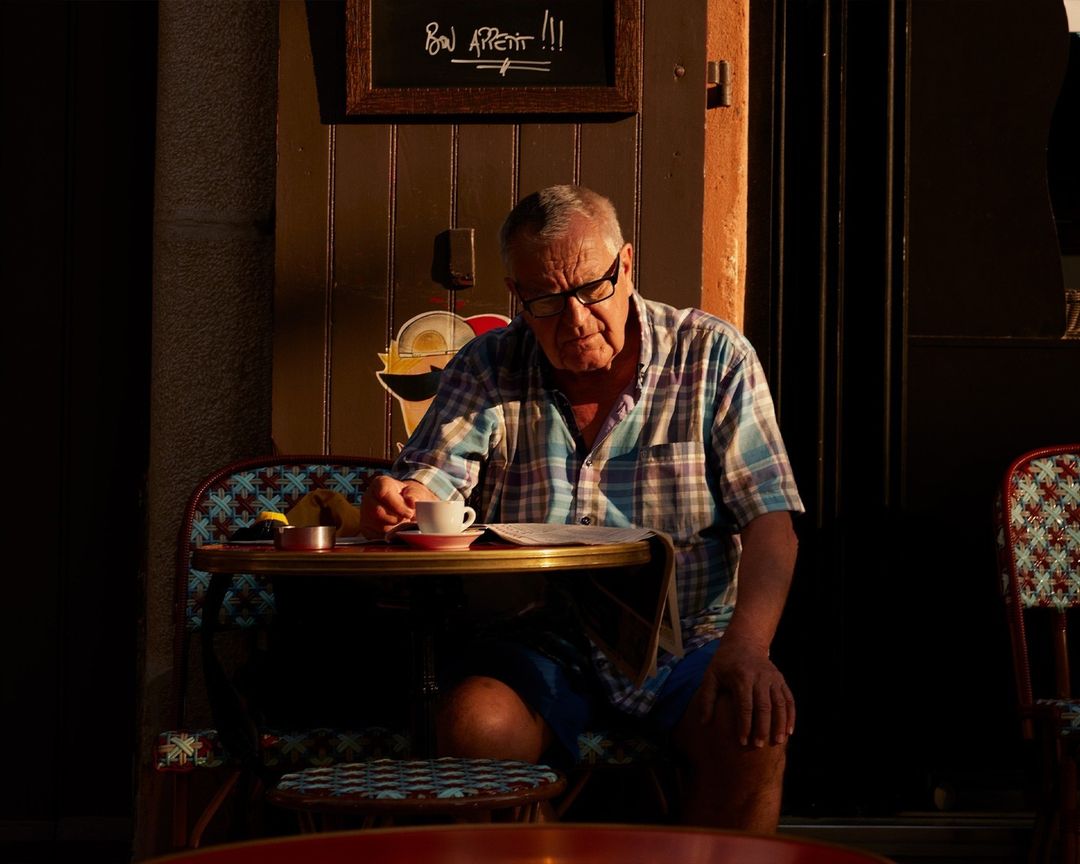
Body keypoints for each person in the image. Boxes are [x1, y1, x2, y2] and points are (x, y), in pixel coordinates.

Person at [359, 185, 803, 831]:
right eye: (544, 302)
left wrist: (748, 649)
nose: (574, 322)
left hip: (686, 641)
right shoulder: (489, 364)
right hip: (537, 639)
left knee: (749, 725)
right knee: (475, 725)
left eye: (592, 290)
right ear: (516, 295)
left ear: (625, 265)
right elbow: (432, 484)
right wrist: (402, 502)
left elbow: (771, 521)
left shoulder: (711, 355)